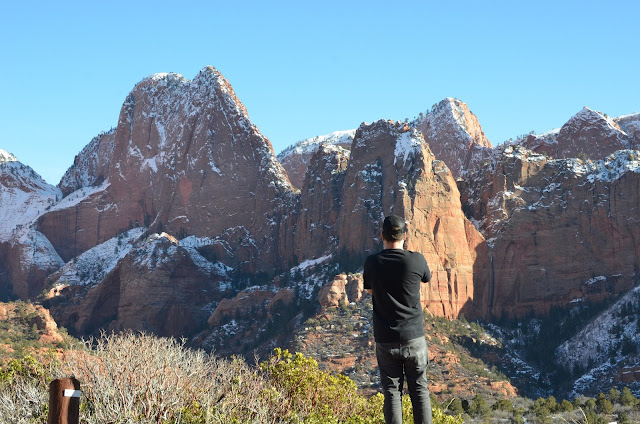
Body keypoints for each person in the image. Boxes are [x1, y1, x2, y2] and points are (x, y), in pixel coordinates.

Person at [363, 215, 432, 424]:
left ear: (381, 235)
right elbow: (426, 277)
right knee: (419, 390)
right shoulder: (416, 259)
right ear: (405, 235)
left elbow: (370, 290)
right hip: (414, 338)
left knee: (392, 392)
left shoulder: (372, 262)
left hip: (386, 339)